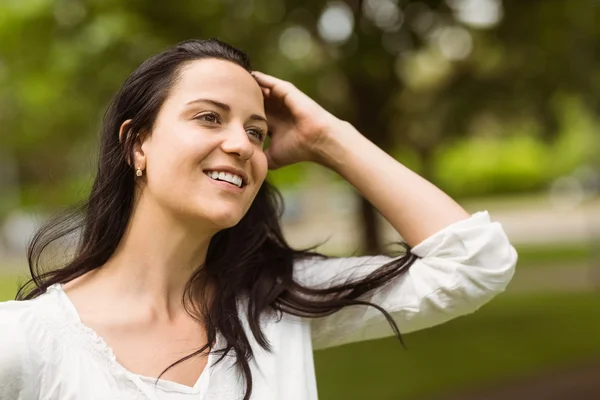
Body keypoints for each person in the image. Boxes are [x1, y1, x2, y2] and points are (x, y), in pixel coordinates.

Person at [0, 39, 517, 400]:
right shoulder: (23, 341)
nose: (241, 145)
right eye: (209, 117)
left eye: (256, 132)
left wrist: (328, 139)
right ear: (138, 143)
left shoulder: (277, 306)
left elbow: (473, 265)